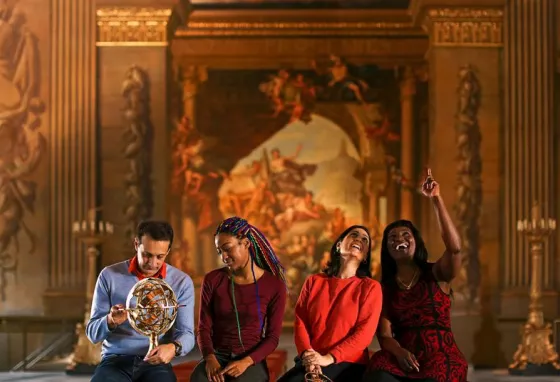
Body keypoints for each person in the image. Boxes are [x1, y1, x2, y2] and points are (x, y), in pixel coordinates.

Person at [363, 169, 467, 382]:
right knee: (378, 372)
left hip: (440, 356)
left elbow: (455, 249)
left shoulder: (436, 273)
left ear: (416, 243)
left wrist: (436, 199)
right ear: (387, 249)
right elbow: (384, 335)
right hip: (403, 356)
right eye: (392, 237)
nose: (398, 239)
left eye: (405, 235)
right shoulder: (384, 288)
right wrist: (400, 353)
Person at [86, 220, 195, 382]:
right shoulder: (109, 276)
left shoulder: (181, 282)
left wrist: (173, 348)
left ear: (168, 251)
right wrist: (110, 320)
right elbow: (92, 334)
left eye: (160, 257)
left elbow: (187, 333)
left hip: (156, 362)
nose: (153, 263)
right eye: (147, 255)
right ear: (136, 244)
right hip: (115, 360)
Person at [278, 225, 383, 382]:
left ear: (366, 256)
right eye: (354, 234)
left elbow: (364, 335)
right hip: (310, 362)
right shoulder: (313, 281)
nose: (359, 239)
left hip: (347, 365)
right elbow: (301, 323)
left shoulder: (370, 287)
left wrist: (328, 358)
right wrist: (308, 355)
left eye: (364, 239)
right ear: (339, 245)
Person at [191, 216, 288, 382]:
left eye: (227, 248)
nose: (223, 256)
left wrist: (246, 362)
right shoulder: (212, 280)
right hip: (217, 356)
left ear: (246, 244)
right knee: (198, 379)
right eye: (219, 251)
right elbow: (203, 328)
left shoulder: (274, 285)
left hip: (250, 359)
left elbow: (272, 338)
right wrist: (210, 358)